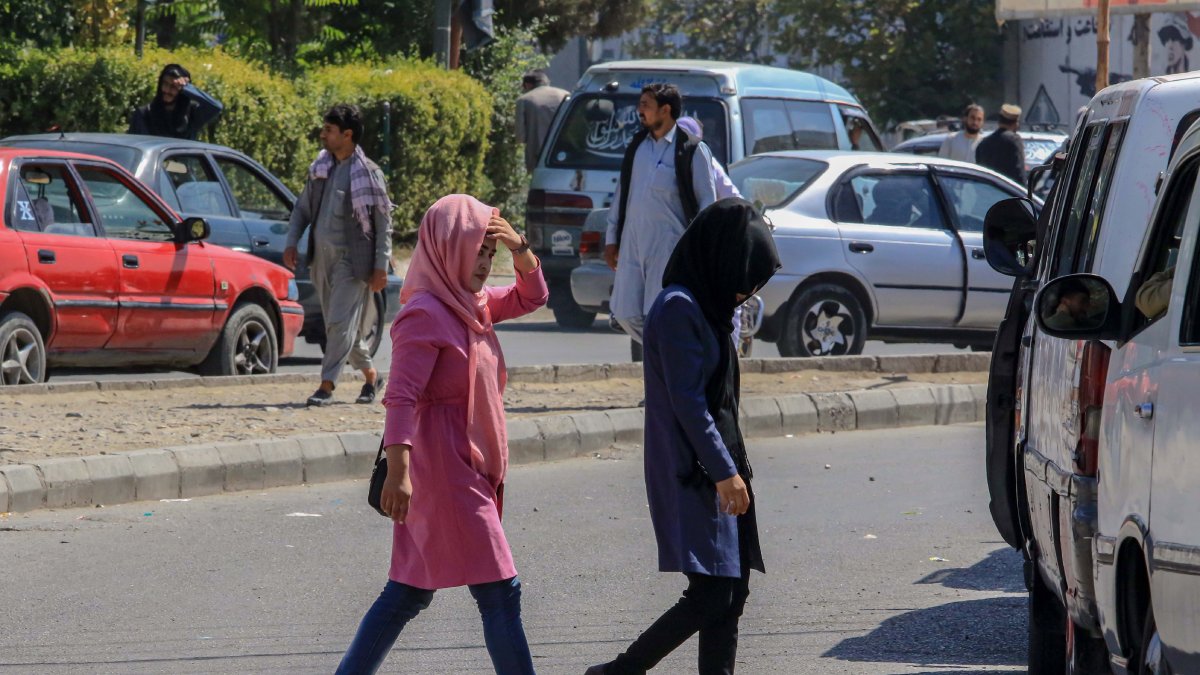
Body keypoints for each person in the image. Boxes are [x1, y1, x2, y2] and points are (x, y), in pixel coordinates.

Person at [336, 195, 546, 674]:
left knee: (408, 591)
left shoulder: (473, 304)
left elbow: (533, 296)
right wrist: (399, 473)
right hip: (445, 473)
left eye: (489, 254)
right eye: (478, 249)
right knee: (499, 591)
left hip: (468, 468)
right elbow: (401, 397)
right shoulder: (426, 314)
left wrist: (519, 247)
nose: (485, 262)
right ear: (449, 246)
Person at [587, 199, 781, 675]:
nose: (745, 293)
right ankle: (618, 671)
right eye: (745, 281)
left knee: (731, 592)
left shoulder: (709, 305)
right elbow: (689, 404)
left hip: (722, 463)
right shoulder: (678, 309)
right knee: (712, 592)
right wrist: (724, 473)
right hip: (696, 468)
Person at [284, 105, 393, 407]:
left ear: (347, 135)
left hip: (353, 263)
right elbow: (302, 210)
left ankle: (327, 385)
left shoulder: (369, 174)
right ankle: (372, 377)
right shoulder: (321, 168)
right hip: (321, 260)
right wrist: (292, 242)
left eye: (329, 130)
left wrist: (381, 266)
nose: (323, 134)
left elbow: (384, 224)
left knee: (337, 324)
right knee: (341, 326)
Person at [605, 83, 719, 344]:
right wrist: (612, 239)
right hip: (632, 242)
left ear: (665, 110)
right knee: (624, 312)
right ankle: (668, 353)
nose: (639, 110)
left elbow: (706, 205)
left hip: (668, 245)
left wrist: (698, 249)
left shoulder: (692, 150)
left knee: (658, 312)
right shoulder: (637, 146)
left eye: (645, 105)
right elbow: (622, 196)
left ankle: (670, 362)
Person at [128, 64, 223, 140]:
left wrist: (188, 88)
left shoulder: (192, 114)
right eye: (165, 84)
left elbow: (216, 106)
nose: (167, 90)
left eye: (173, 86)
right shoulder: (144, 114)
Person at [515, 69, 569, 173]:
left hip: (538, 158)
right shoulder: (566, 95)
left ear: (527, 85)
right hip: (566, 155)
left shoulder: (524, 100)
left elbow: (520, 137)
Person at [975, 104, 1027, 186]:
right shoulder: (1014, 140)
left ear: (999, 122)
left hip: (986, 194)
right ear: (1015, 123)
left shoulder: (983, 143)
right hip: (1007, 193)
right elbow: (1019, 173)